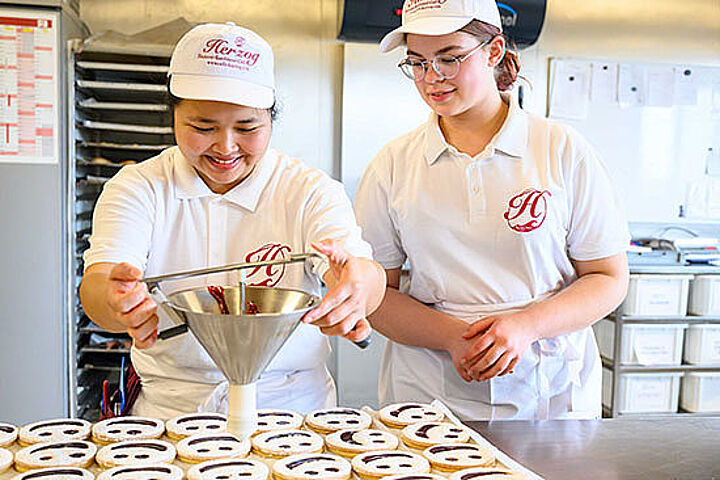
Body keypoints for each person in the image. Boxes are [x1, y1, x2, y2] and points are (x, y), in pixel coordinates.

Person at [80, 23, 386, 419]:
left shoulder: (308, 190)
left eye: (247, 128)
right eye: (202, 127)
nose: (225, 147)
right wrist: (117, 301)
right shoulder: (140, 187)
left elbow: (360, 271)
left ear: (271, 119)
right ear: (173, 115)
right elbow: (98, 285)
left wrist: (358, 287)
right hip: (172, 412)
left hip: (291, 413)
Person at [354, 0, 630, 420]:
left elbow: (608, 278)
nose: (432, 78)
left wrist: (526, 326)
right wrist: (453, 337)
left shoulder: (560, 149)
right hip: (430, 397)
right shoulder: (392, 164)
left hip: (548, 394)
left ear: (494, 50)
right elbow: (376, 294)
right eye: (417, 62)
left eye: (449, 59)